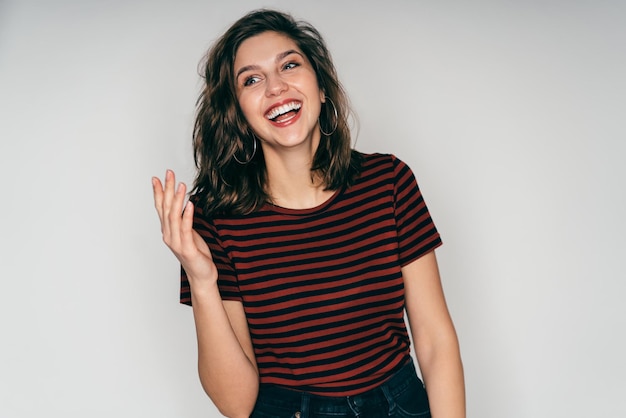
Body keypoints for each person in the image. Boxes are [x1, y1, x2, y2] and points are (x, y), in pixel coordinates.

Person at [152, 9, 465, 418]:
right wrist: (201, 278)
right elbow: (235, 404)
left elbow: (435, 342)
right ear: (239, 114)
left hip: (399, 404)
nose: (276, 87)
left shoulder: (388, 181)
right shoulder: (215, 221)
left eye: (289, 65)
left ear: (320, 87)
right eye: (252, 79)